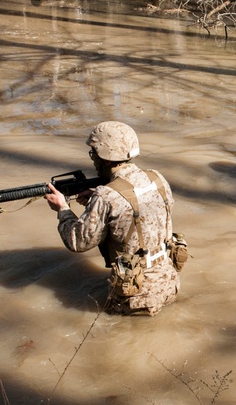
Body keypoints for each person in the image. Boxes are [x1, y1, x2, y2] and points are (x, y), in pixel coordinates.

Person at [44, 121, 185, 316]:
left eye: (93, 154)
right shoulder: (157, 179)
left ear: (106, 158)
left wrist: (62, 209)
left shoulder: (106, 196)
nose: (92, 160)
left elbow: (77, 241)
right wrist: (97, 200)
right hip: (170, 284)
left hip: (136, 297)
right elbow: (139, 213)